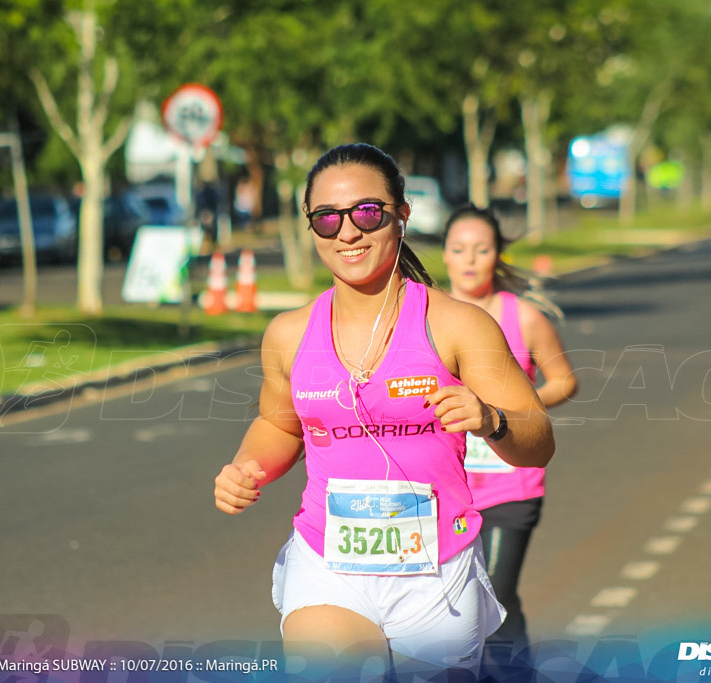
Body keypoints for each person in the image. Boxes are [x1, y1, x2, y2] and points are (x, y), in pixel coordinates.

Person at [213, 143, 555, 678]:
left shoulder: (457, 326)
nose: (347, 232)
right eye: (326, 218)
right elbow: (279, 424)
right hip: (328, 564)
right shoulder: (289, 333)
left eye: (366, 212)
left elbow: (538, 442)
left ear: (402, 212)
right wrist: (246, 468)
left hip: (435, 575)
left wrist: (492, 419)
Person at [442, 204, 578, 670]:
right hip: (443, 489)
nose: (470, 259)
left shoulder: (522, 318)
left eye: (481, 249)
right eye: (459, 249)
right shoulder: (430, 316)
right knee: (449, 605)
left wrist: (511, 415)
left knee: (496, 596)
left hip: (509, 483)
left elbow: (563, 380)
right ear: (444, 255)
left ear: (497, 256)